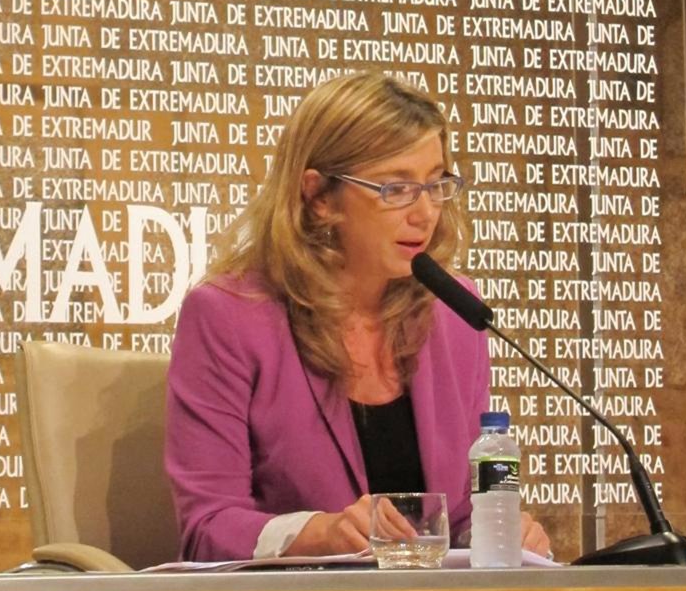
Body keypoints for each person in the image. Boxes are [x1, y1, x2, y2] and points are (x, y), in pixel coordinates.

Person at [165, 69, 550, 562]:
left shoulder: (453, 313)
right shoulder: (229, 316)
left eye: (436, 184)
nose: (425, 213)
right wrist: (319, 532)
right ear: (319, 197)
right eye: (396, 189)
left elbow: (455, 517)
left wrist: (500, 530)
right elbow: (207, 529)